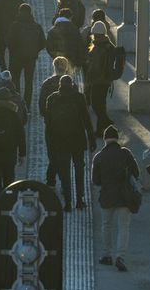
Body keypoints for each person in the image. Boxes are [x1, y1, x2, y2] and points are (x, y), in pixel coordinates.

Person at [92, 125, 139, 271]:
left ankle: (106, 255)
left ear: (105, 139)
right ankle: (120, 257)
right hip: (124, 196)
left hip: (106, 196)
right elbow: (136, 173)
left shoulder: (98, 157)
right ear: (117, 139)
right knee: (123, 227)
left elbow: (96, 181)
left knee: (106, 225)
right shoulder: (126, 154)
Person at [46, 75, 96, 210]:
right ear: (72, 85)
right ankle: (79, 200)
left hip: (59, 141)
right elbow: (86, 119)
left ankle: (68, 203)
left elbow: (49, 125)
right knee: (79, 170)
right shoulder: (79, 98)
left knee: (65, 173)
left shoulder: (51, 99)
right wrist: (91, 139)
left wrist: (50, 145)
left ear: (60, 85)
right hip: (77, 140)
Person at [5, 4, 46, 106]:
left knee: (15, 80)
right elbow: (43, 42)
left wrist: (13, 51)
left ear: (19, 12)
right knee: (29, 82)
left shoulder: (15, 25)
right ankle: (27, 105)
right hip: (30, 59)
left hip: (16, 58)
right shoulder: (36, 26)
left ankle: (17, 103)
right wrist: (35, 50)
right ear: (30, 13)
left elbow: (8, 41)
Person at [38, 56, 70, 185]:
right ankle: (63, 181)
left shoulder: (47, 84)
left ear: (54, 67)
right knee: (64, 154)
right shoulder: (71, 84)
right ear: (66, 68)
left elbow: (41, 105)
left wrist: (47, 117)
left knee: (52, 153)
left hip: (51, 125)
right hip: (67, 126)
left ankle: (51, 179)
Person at [85, 21, 115, 137]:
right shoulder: (109, 45)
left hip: (97, 81)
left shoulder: (97, 47)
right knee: (101, 105)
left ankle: (107, 122)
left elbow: (94, 67)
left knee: (96, 105)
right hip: (106, 80)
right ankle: (99, 130)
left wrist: (89, 81)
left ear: (95, 34)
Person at [0, 0, 25, 70]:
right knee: (13, 52)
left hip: (2, 32)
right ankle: (12, 70)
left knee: (0, 52)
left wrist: (0, 26)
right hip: (16, 33)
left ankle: (3, 69)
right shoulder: (21, 2)